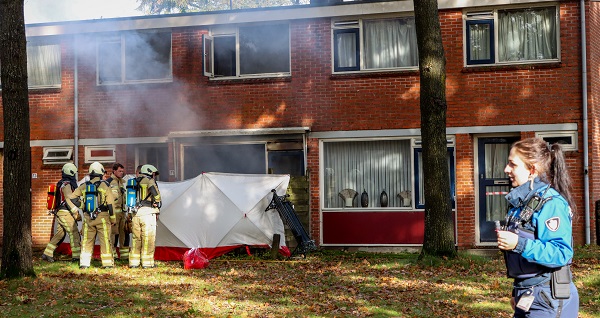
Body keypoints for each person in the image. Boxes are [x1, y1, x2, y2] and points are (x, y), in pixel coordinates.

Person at [497, 137, 579, 317]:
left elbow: (561, 253)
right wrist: (516, 291)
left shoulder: (551, 203)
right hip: (527, 294)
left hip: (548, 298)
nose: (506, 169)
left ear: (532, 170)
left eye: (513, 164)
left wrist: (519, 244)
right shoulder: (521, 203)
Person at [71, 162, 117, 269]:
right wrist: (113, 218)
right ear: (101, 172)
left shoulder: (84, 186)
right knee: (105, 240)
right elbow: (110, 203)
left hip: (88, 217)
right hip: (103, 217)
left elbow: (73, 198)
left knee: (87, 240)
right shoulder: (105, 185)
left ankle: (84, 263)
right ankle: (107, 264)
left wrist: (83, 206)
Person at [42, 163, 82, 262]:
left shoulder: (61, 183)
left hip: (60, 212)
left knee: (60, 234)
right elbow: (68, 200)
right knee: (74, 233)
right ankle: (76, 257)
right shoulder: (67, 184)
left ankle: (47, 253)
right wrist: (76, 213)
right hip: (66, 212)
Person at [129, 164, 162, 269]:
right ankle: (147, 263)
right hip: (147, 213)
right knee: (148, 238)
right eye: (153, 173)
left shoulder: (133, 181)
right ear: (149, 172)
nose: (154, 176)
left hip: (135, 214)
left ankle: (134, 263)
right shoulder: (149, 181)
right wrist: (157, 202)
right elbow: (156, 195)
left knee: (136, 238)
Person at [108, 163, 128, 260]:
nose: (121, 173)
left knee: (123, 233)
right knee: (113, 234)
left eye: (122, 171)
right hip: (114, 213)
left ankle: (124, 255)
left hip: (122, 213)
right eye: (119, 171)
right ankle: (113, 254)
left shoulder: (121, 182)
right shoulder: (109, 182)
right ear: (114, 171)